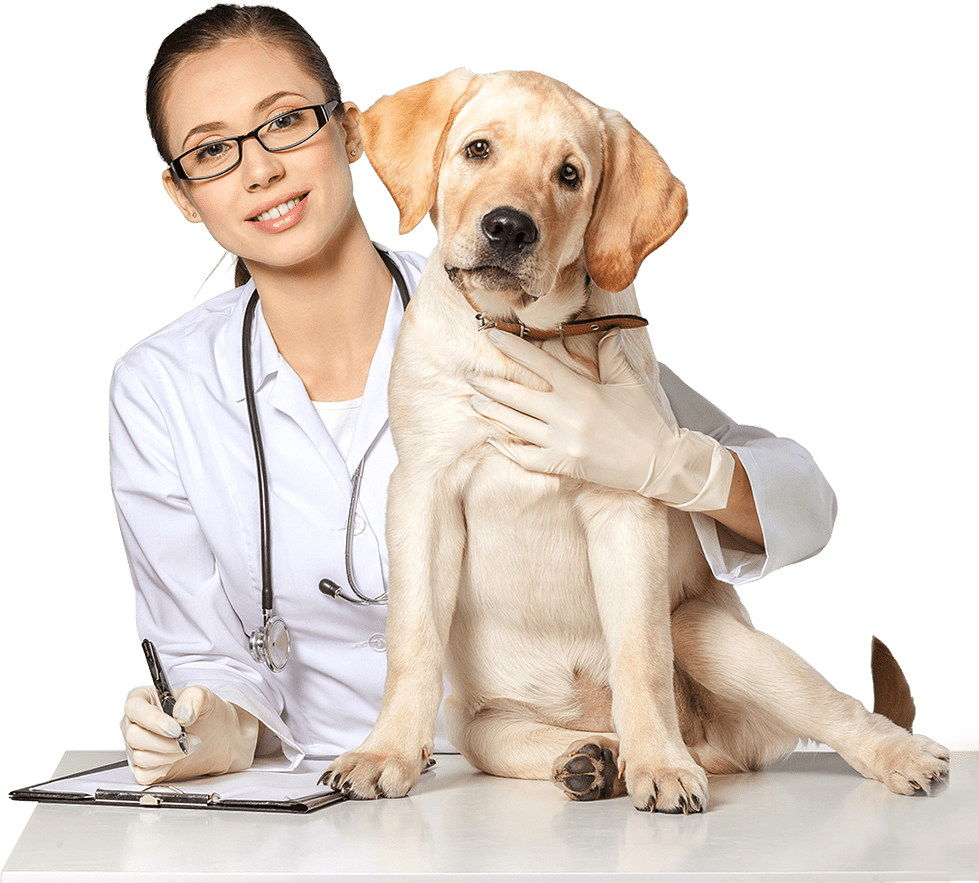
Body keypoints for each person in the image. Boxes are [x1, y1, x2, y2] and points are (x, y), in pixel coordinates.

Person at [113, 3, 837, 786]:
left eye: (285, 122)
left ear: (352, 132)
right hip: (326, 791)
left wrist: (670, 464)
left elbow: (807, 499)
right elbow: (208, 667)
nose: (259, 169)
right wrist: (194, 728)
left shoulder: (537, 309)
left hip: (558, 766)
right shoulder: (159, 387)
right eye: (211, 151)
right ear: (182, 195)